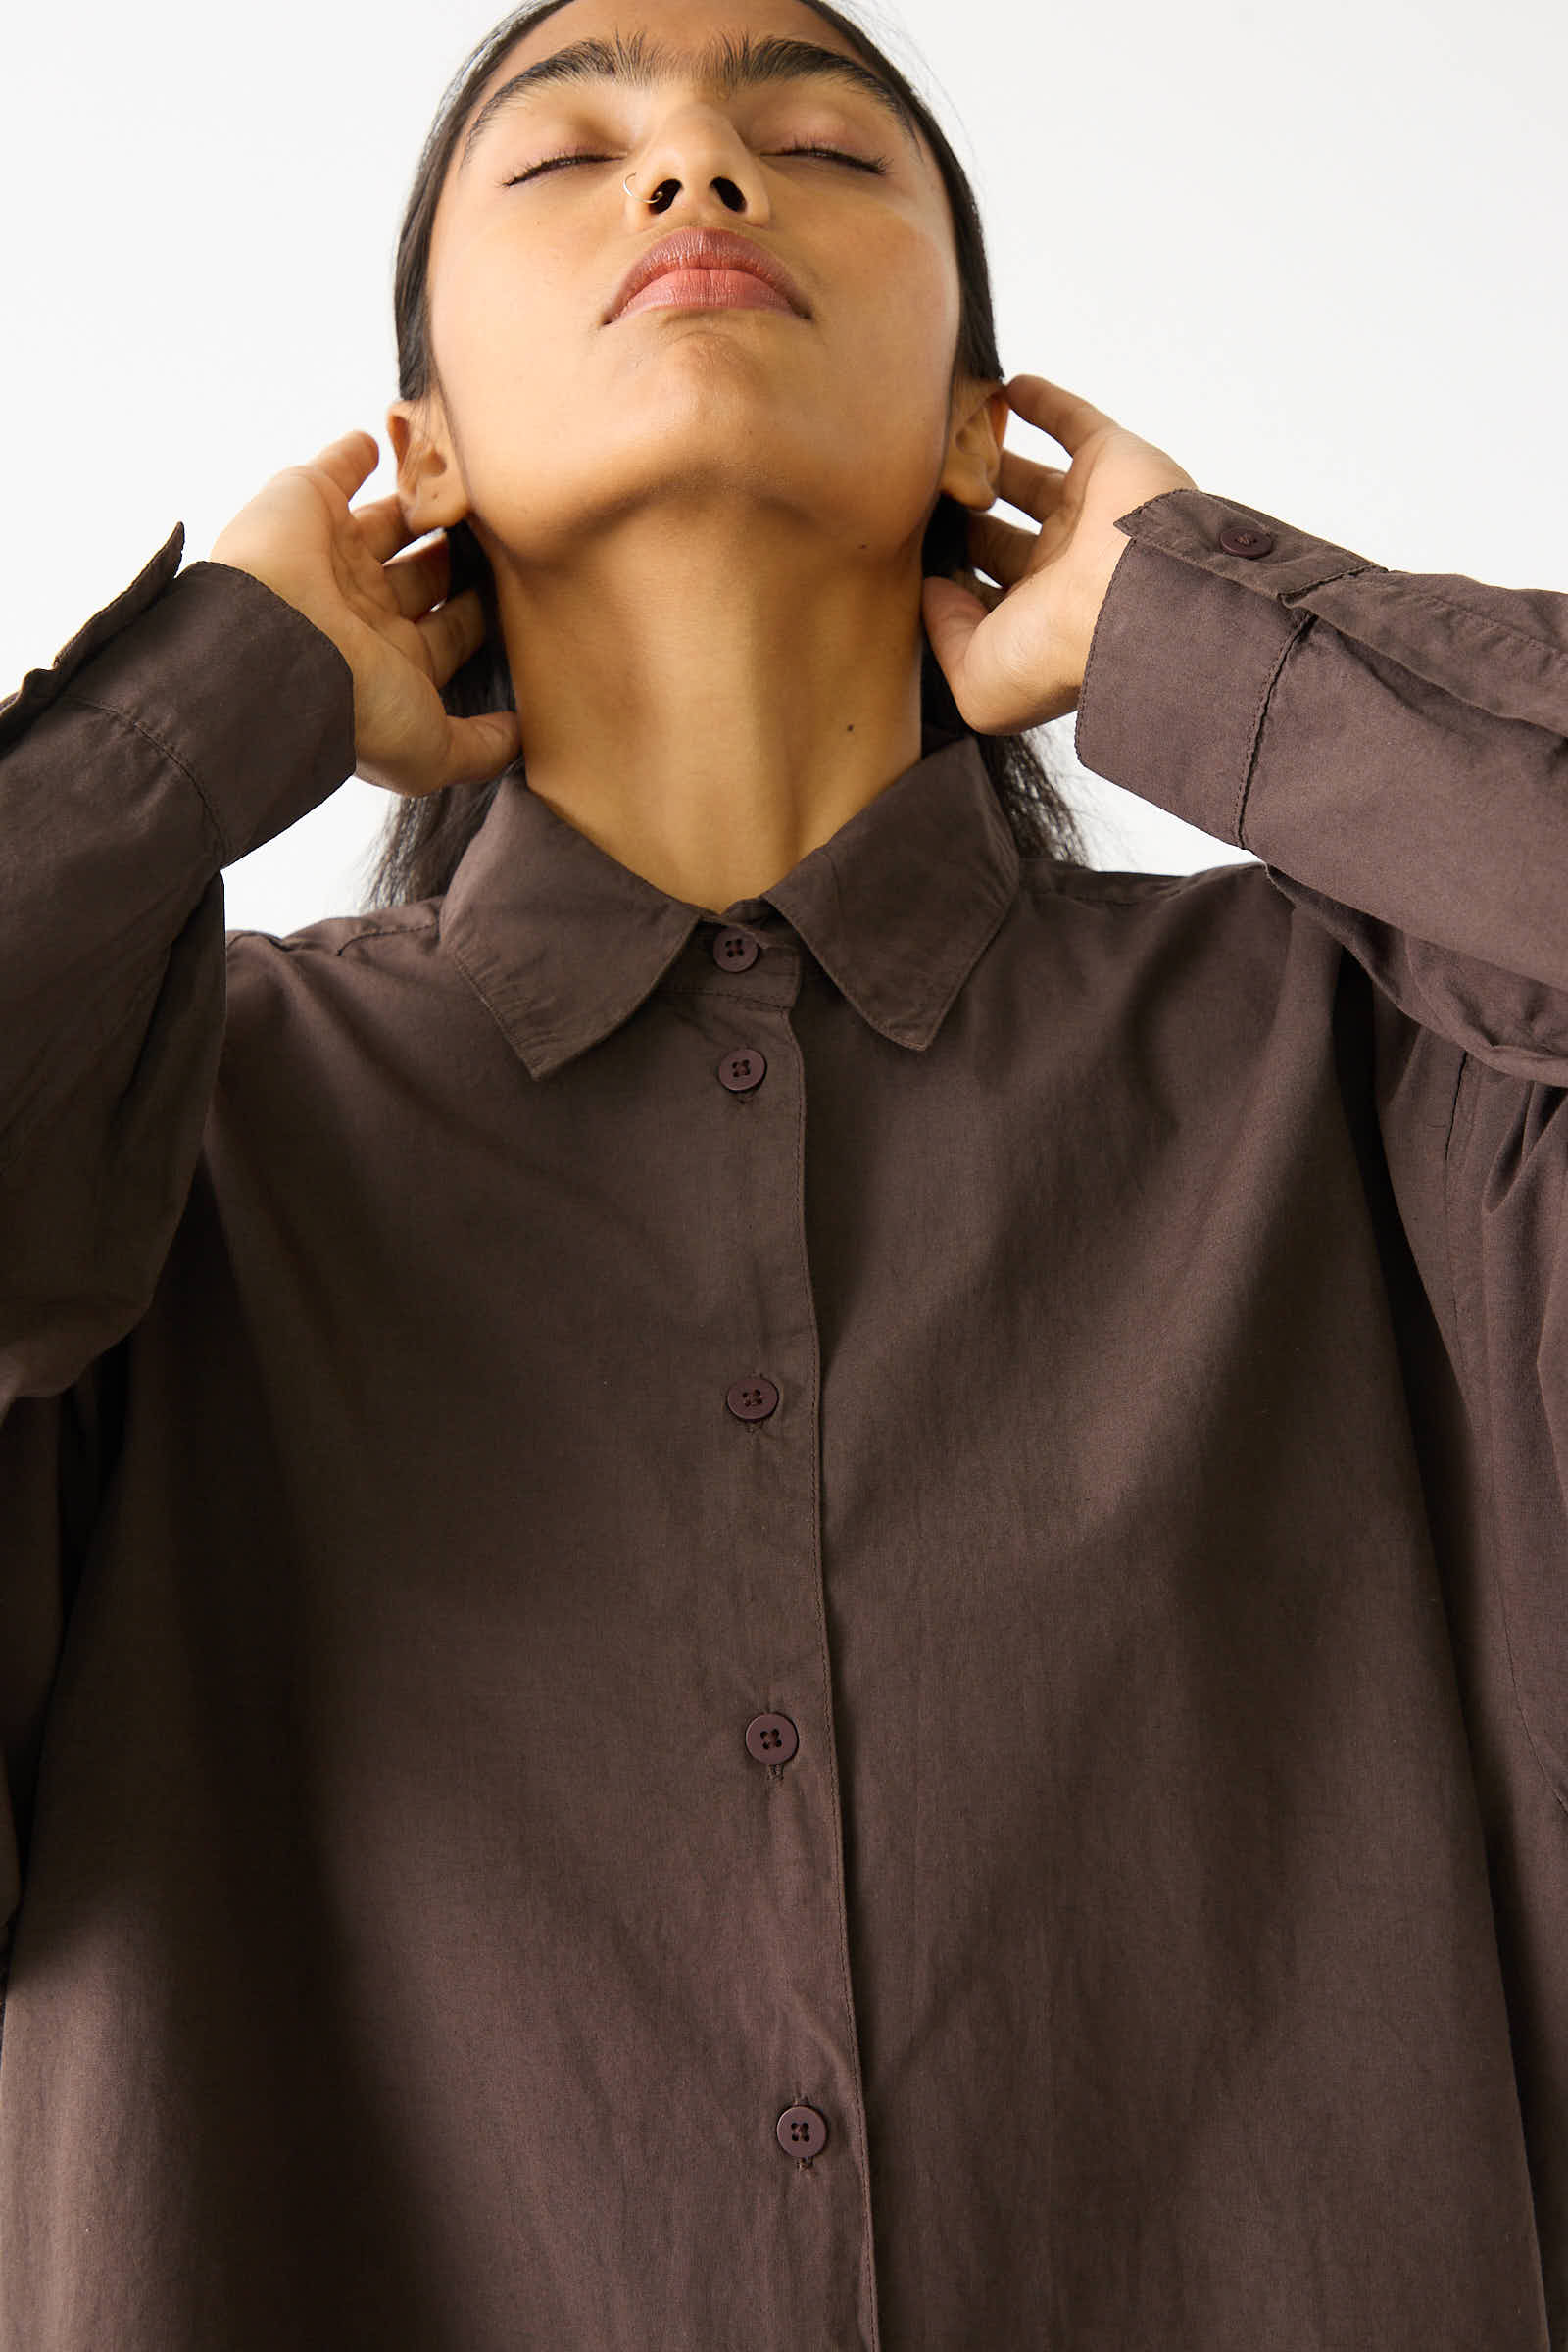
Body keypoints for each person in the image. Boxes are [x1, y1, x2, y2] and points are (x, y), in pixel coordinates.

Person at [2, 0, 1566, 2344]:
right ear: (408, 450)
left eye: (813, 138)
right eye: (566, 155)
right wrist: (205, 702)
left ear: (980, 422)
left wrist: (1203, 637)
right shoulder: (165, 1129)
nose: (696, 178)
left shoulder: (1355, 1046)